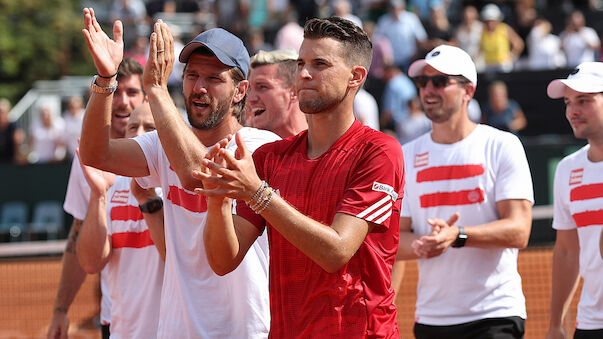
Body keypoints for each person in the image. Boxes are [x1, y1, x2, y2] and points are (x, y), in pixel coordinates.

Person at [196, 17, 404, 337]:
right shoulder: (269, 158)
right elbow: (223, 261)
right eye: (301, 63)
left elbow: (336, 252)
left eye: (320, 64)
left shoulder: (378, 152)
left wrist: (257, 193)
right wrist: (218, 199)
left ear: (356, 77)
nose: (304, 74)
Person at [77, 8, 278, 338]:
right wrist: (105, 80)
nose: (199, 87)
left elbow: (199, 175)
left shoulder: (261, 146)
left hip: (244, 331)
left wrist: (155, 90)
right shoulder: (162, 144)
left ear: (240, 91)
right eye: (191, 75)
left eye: (214, 79)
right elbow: (96, 153)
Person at [394, 44, 533, 338]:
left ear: (468, 91)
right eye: (423, 82)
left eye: (441, 81)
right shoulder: (405, 156)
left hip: (494, 315)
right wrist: (424, 244)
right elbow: (396, 239)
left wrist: (458, 236)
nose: (428, 89)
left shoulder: (502, 145)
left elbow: (520, 230)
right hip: (432, 320)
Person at [47, 57, 146, 339]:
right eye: (114, 92)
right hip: (116, 322)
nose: (123, 102)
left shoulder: (166, 152)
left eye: (132, 92)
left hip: (170, 317)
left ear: (146, 97)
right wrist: (60, 309)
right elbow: (78, 236)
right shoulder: (85, 159)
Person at [75, 102, 165, 338]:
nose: (139, 135)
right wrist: (98, 196)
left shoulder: (179, 184)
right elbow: (91, 263)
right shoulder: (112, 185)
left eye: (150, 127)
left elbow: (182, 260)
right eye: (132, 127)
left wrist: (148, 201)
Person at [545, 61, 603, 339]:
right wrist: (556, 324)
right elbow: (568, 252)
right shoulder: (568, 169)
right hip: (590, 324)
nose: (573, 111)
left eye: (584, 100)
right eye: (568, 102)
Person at [246, 49, 308, 138]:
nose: (250, 99)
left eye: (262, 87)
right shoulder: (244, 146)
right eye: (250, 89)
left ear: (294, 92)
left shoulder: (326, 145)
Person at [375, 0, 427, 72]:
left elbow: (421, 38)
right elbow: (378, 39)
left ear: (403, 8)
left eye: (397, 8)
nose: (395, 10)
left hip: (409, 59)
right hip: (392, 62)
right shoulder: (384, 21)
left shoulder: (411, 19)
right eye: (392, 8)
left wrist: (416, 53)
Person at [479, 3, 524, 73]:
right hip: (489, 65)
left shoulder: (504, 29)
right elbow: (480, 48)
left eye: (492, 21)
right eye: (487, 21)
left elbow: (519, 44)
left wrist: (512, 56)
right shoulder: (482, 32)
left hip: (503, 66)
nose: (490, 24)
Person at [0, 98, 25, 164]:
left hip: (11, 162)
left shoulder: (14, 126)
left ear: (8, 111)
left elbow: (18, 143)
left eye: (2, 112)